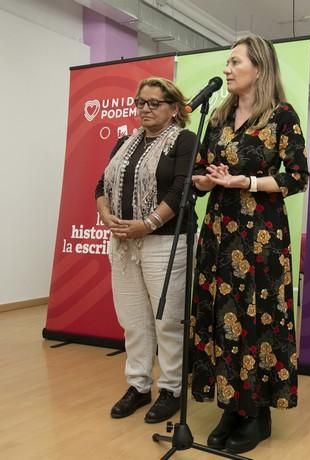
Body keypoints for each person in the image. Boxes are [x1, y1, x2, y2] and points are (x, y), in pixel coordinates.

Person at [190, 35, 309, 454]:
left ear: (258, 67)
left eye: (234, 61)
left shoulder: (281, 115)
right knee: (224, 316)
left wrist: (249, 182)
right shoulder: (219, 114)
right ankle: (230, 403)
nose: (227, 69)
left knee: (257, 319)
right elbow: (203, 171)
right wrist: (204, 180)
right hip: (219, 231)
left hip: (261, 237)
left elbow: (297, 177)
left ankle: (257, 411)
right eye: (227, 62)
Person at [95, 77, 197, 423]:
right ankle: (138, 386)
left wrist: (148, 223)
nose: (145, 109)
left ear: (173, 108)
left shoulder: (183, 141)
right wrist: (107, 215)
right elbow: (101, 185)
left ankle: (171, 389)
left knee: (168, 320)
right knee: (134, 321)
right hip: (124, 243)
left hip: (166, 242)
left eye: (154, 103)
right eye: (140, 102)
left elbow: (182, 189)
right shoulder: (125, 142)